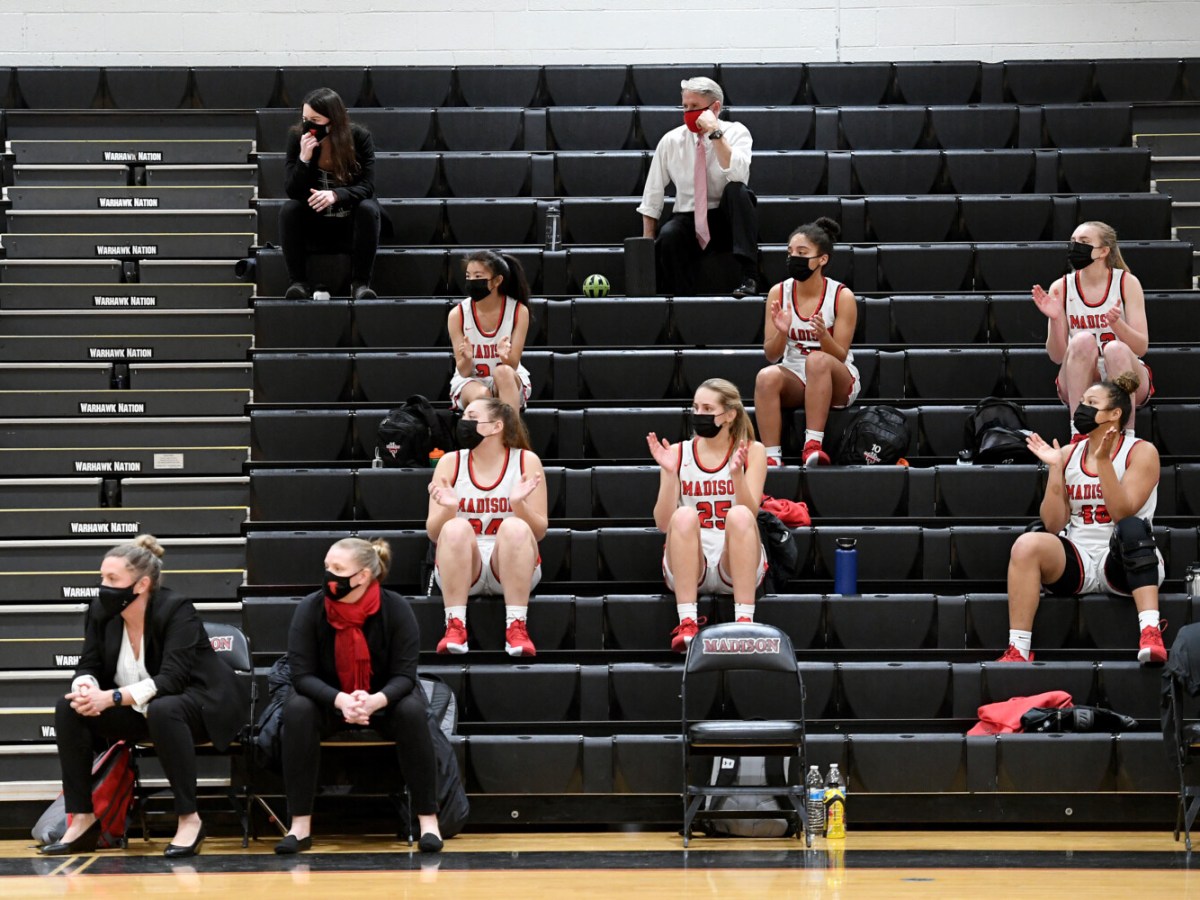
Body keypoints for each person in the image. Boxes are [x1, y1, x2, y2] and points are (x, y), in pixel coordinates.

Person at [42, 535, 241, 858]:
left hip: (200, 706)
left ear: (141, 584)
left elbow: (172, 680)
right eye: (102, 578)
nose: (103, 587)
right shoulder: (100, 611)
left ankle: (189, 819)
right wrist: (85, 688)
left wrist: (112, 698)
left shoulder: (176, 609)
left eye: (112, 579)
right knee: (69, 709)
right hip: (143, 709)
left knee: (164, 708)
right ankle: (83, 819)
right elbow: (88, 664)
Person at [277, 537, 442, 854]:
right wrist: (340, 700)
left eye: (338, 569)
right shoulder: (310, 608)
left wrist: (375, 700)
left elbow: (405, 675)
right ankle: (299, 826)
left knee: (411, 711)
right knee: (297, 709)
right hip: (329, 700)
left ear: (363, 576)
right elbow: (301, 675)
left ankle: (428, 822)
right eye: (327, 566)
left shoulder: (396, 608)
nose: (329, 575)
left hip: (381, 700)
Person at [999, 372, 1166, 665]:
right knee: (1027, 544)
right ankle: (1018, 649)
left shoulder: (1141, 452)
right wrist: (1055, 469)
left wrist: (1103, 463)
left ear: (1114, 414)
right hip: (1080, 559)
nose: (1082, 408)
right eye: (1082, 402)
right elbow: (1053, 524)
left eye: (1092, 403)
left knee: (1132, 527)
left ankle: (1150, 632)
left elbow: (1122, 513)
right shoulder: (1068, 453)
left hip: (1125, 560)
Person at [647, 378, 768, 652]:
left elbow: (751, 515)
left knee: (739, 515)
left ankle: (744, 622)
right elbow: (663, 523)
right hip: (690, 562)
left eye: (707, 409)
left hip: (736, 560)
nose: (699, 414)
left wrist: (736, 475)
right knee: (684, 516)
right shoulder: (677, 452)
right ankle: (687, 622)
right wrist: (669, 473)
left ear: (730, 415)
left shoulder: (752, 451)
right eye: (696, 408)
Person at [427, 397, 547, 657]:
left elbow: (539, 532)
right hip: (463, 566)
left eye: (472, 417)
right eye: (463, 417)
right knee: (455, 527)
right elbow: (434, 533)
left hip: (513, 564)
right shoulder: (450, 462)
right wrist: (449, 509)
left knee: (514, 527)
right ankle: (454, 626)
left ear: (496, 426)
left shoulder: (526, 461)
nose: (463, 423)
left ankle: (517, 626)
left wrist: (518, 505)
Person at [636, 76, 759, 297]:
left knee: (738, 192)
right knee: (669, 234)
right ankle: (680, 299)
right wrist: (646, 252)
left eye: (694, 107)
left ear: (715, 108)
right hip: (688, 218)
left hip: (725, 219)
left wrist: (715, 133)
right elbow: (652, 196)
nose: (688, 112)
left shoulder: (737, 132)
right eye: (685, 106)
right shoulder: (671, 140)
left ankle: (749, 276)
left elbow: (739, 175)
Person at [753, 218, 860, 467]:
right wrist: (782, 332)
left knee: (817, 360)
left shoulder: (842, 296)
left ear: (822, 259)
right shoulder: (778, 292)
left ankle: (813, 445)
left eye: (802, 253)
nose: (794, 258)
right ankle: (771, 456)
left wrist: (823, 337)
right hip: (797, 377)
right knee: (765, 377)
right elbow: (771, 355)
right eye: (790, 252)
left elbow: (840, 355)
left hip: (836, 378)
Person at [1032, 221, 1153, 439]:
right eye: (1073, 241)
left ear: (1104, 251)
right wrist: (1056, 319)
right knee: (1081, 341)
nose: (1076, 246)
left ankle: (1127, 436)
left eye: (1084, 242)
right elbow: (1057, 356)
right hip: (1080, 374)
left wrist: (1117, 325)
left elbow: (1141, 347)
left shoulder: (1127, 283)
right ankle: (1077, 432)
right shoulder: (1061, 286)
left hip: (1125, 372)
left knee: (1115, 348)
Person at [280, 87, 380, 301]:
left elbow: (368, 187)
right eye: (305, 119)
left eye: (315, 120)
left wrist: (336, 194)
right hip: (315, 219)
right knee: (289, 209)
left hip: (349, 218)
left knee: (368, 208)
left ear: (333, 120)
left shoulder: (359, 137)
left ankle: (360, 284)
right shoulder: (297, 138)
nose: (308, 126)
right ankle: (298, 283)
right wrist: (304, 159)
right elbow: (292, 191)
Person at [449, 250, 533, 413]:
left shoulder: (518, 311)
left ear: (497, 281)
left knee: (504, 372)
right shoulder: (457, 314)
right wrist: (467, 359)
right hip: (471, 380)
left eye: (478, 276)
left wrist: (505, 357)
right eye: (468, 276)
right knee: (482, 395)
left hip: (506, 379)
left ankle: (512, 430)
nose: (472, 281)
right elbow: (464, 372)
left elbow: (513, 365)